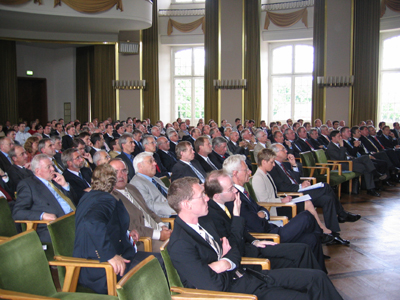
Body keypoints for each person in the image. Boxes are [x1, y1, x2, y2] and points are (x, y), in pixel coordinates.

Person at [167, 177, 343, 300]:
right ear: (186, 204)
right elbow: (214, 286)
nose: (207, 198)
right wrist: (228, 259)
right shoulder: (180, 244)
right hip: (241, 292)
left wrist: (224, 262)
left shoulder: (204, 221)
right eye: (201, 195)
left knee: (318, 278)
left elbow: (235, 246)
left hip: (251, 276)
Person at [223, 154, 327, 272]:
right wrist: (262, 215)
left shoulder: (242, 191)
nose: (249, 171)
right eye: (246, 169)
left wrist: (263, 214)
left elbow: (261, 209)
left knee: (312, 239)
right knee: (307, 216)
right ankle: (323, 236)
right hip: (270, 236)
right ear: (235, 173)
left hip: (272, 228)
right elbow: (257, 225)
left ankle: (320, 273)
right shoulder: (234, 197)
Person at [202, 169, 321, 270]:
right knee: (305, 223)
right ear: (217, 196)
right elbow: (235, 243)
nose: (235, 190)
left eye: (233, 187)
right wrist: (238, 217)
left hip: (256, 242)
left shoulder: (228, 201)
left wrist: (254, 241)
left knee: (310, 239)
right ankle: (313, 280)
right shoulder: (215, 213)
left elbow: (249, 224)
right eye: (230, 189)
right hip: (250, 254)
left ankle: (319, 275)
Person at [73, 164, 162, 294]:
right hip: (101, 269)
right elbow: (91, 222)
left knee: (158, 261)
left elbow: (107, 225)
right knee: (158, 264)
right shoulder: (105, 199)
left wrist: (126, 232)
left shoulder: (90, 196)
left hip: (103, 260)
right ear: (112, 182)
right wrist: (110, 256)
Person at [110, 158, 172, 252]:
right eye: (115, 172)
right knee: (177, 250)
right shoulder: (110, 197)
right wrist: (159, 234)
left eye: (123, 171)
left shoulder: (131, 188)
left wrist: (162, 225)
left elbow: (148, 211)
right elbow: (129, 227)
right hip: (143, 240)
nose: (120, 175)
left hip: (159, 230)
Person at [13, 154, 76, 243]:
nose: (53, 169)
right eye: (48, 167)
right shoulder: (28, 185)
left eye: (52, 166)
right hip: (57, 226)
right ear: (38, 171)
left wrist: (65, 185)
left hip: (74, 218)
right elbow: (17, 212)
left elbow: (73, 201)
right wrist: (41, 215)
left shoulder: (55, 179)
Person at [130, 152, 176, 218]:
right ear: (140, 166)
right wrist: (176, 209)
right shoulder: (136, 183)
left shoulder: (155, 179)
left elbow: (169, 194)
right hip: (164, 217)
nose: (155, 163)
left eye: (154, 161)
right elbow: (149, 206)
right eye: (150, 161)